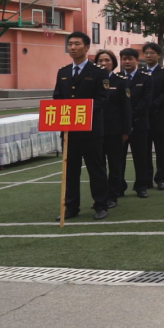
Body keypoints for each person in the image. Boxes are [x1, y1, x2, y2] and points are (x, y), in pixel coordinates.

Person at [53, 31, 111, 220]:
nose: (73, 47)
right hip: (69, 131)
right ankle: (71, 206)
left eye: (77, 44)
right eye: (70, 44)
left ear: (87, 47)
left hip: (91, 130)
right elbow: (57, 98)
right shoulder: (62, 72)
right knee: (70, 170)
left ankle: (100, 204)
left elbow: (102, 100)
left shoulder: (99, 72)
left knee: (96, 168)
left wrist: (82, 112)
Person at [95, 49, 132, 206]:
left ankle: (113, 195)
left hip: (115, 130)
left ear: (113, 63)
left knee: (115, 164)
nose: (103, 64)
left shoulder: (121, 81)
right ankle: (101, 196)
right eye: (100, 61)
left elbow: (126, 108)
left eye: (107, 60)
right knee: (98, 165)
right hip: (96, 129)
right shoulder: (92, 80)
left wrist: (125, 130)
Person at [119, 48, 153, 198]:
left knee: (141, 157)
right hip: (120, 126)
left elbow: (146, 101)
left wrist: (130, 116)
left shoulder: (146, 78)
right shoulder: (117, 78)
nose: (127, 62)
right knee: (118, 158)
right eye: (124, 59)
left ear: (136, 60)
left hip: (139, 123)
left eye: (130, 59)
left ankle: (141, 186)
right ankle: (118, 186)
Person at [142, 42, 164, 192]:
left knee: (161, 149)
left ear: (159, 55)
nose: (148, 55)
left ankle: (161, 178)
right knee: (144, 150)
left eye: (152, 53)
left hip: (159, 117)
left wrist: (152, 107)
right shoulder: (140, 73)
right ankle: (146, 179)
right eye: (146, 53)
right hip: (143, 118)